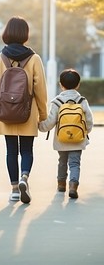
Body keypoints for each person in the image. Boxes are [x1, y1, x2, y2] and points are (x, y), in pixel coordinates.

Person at [0, 16, 47, 203]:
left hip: (5, 113)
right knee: (26, 150)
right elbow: (40, 90)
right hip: (28, 112)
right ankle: (24, 178)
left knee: (11, 151)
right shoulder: (34, 58)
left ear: (6, 33)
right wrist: (43, 114)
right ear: (25, 34)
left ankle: (13, 189)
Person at [39, 68, 93, 199]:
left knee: (62, 161)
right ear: (78, 84)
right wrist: (85, 132)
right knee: (75, 163)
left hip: (61, 140)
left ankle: (61, 185)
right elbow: (89, 120)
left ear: (60, 84)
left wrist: (41, 127)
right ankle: (73, 186)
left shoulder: (57, 102)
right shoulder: (82, 101)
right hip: (78, 140)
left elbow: (51, 121)